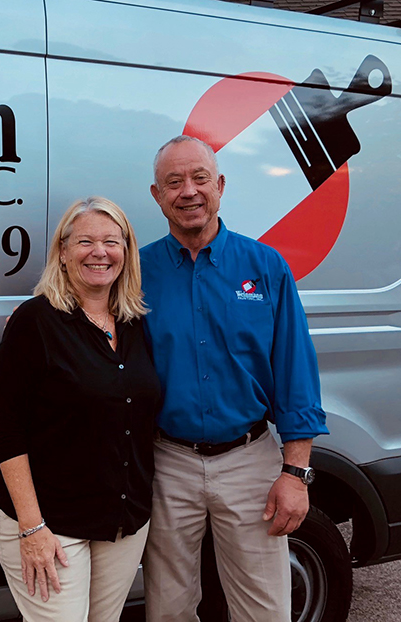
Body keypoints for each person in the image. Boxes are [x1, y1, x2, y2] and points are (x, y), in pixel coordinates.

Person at [140, 135, 328, 621]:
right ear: (157, 195)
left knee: (264, 608)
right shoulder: (136, 272)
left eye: (200, 178)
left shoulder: (264, 267)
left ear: (220, 185)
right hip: (167, 462)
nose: (189, 191)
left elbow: (295, 372)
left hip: (250, 460)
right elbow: (86, 318)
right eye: (174, 182)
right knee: (168, 608)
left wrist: (295, 473)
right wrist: (35, 317)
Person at [0, 197, 160, 622]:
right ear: (62, 252)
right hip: (50, 523)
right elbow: (8, 428)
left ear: (126, 251)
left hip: (122, 520)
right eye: (85, 241)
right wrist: (31, 528)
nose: (99, 252)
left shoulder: (136, 323)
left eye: (111, 241)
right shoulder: (35, 322)